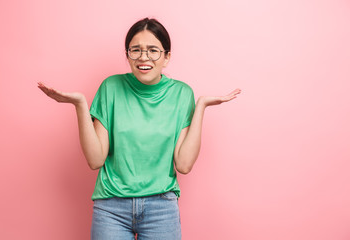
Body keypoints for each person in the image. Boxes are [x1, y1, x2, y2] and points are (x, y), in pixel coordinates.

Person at [38, 17, 241, 240]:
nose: (143, 58)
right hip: (111, 208)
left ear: (167, 57)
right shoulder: (111, 87)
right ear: (127, 55)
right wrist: (80, 105)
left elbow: (183, 165)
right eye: (136, 50)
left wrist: (201, 106)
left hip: (161, 208)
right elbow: (95, 160)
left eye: (153, 50)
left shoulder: (182, 94)